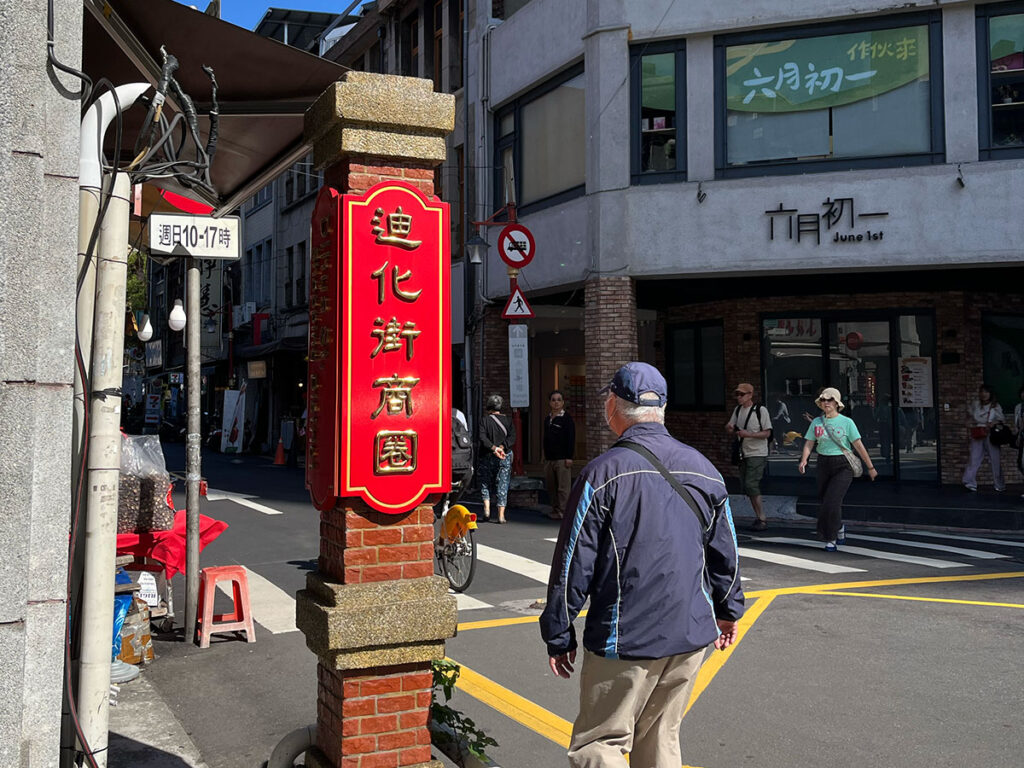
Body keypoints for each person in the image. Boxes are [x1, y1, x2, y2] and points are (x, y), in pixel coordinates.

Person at [540, 362, 743, 768]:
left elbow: (572, 565)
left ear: (613, 405)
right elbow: (726, 554)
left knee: (601, 743)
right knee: (661, 739)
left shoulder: (601, 474)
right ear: (661, 408)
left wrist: (559, 633)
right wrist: (728, 610)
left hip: (625, 635)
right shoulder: (704, 469)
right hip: (690, 631)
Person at [798, 387, 878, 551]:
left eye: (830, 400)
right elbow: (809, 443)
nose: (826, 403)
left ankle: (830, 537)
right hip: (823, 463)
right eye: (823, 400)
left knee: (832, 501)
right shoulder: (817, 422)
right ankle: (839, 527)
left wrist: (870, 467)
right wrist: (804, 460)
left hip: (843, 465)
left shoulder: (847, 422)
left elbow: (858, 445)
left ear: (836, 403)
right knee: (826, 501)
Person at [725, 382, 773, 530]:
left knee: (751, 484)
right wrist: (729, 428)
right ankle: (758, 517)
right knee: (746, 486)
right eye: (737, 394)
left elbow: (767, 433)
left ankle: (762, 518)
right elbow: (730, 427)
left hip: (757, 452)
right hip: (743, 453)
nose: (739, 397)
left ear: (750, 395)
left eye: (742, 394)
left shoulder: (760, 410)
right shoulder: (738, 410)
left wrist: (749, 434)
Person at [477, 394, 515, 523]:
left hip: (486, 455)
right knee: (502, 484)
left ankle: (487, 509)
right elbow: (512, 437)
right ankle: (501, 515)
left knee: (485, 483)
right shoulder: (508, 421)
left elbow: (482, 438)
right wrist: (502, 447)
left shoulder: (484, 421)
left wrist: (493, 448)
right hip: (504, 455)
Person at [962, 383, 1005, 492]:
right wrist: (969, 423)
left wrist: (994, 422)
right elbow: (969, 415)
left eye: (986, 392)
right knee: (974, 458)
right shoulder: (976, 404)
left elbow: (1001, 420)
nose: (984, 394)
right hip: (978, 432)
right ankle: (969, 482)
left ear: (990, 393)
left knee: (995, 460)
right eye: (982, 392)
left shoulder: (995, 406)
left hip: (991, 434)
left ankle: (999, 484)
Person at [542, 389, 575, 520]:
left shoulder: (567, 419)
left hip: (562, 459)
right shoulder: (547, 419)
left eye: (559, 400)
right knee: (551, 487)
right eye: (553, 400)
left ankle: (564, 511)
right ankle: (555, 509)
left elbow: (571, 438)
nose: (556, 402)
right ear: (550, 402)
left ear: (563, 402)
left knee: (563, 487)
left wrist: (569, 457)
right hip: (549, 459)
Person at [1014, 385, 1024, 498]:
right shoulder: (1018, 407)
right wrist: (1017, 436)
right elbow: (1017, 424)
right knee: (1020, 463)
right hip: (1022, 438)